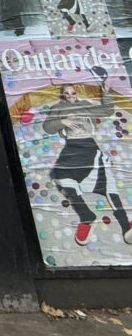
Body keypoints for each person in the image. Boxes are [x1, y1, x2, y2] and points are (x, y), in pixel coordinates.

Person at [43, 74, 132, 246]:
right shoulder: (58, 107)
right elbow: (47, 127)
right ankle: (86, 216)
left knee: (107, 183)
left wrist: (106, 93)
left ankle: (125, 224)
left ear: (76, 93)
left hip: (88, 145)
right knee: (60, 175)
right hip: (71, 146)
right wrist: (63, 120)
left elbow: (107, 111)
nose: (70, 96)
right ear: (62, 95)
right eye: (66, 94)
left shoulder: (84, 104)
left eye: (73, 93)